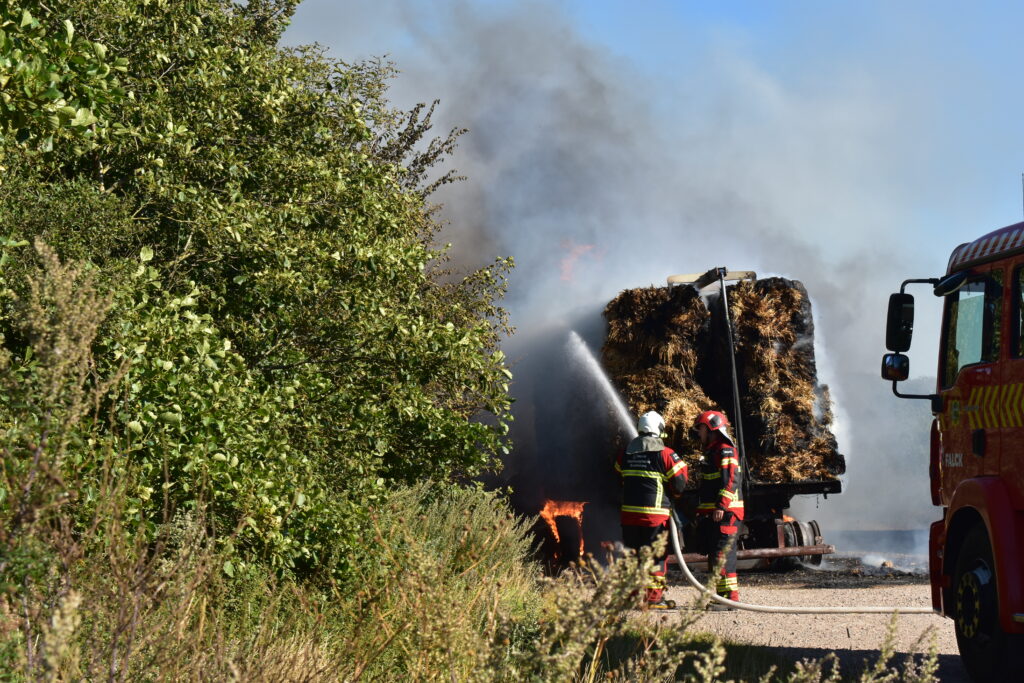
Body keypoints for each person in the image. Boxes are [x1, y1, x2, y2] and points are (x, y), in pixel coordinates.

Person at [615, 410, 688, 607]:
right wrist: (674, 495)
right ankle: (653, 598)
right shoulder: (666, 454)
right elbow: (680, 483)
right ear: (659, 429)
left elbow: (617, 478)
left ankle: (632, 597)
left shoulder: (625, 453)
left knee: (633, 555)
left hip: (629, 516)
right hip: (654, 517)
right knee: (656, 556)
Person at [692, 409, 744, 606]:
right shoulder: (712, 451)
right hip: (717, 514)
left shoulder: (725, 450)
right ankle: (722, 597)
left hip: (727, 514)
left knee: (723, 556)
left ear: (712, 428)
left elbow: (731, 479)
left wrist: (721, 505)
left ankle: (729, 599)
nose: (699, 433)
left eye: (701, 428)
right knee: (716, 556)